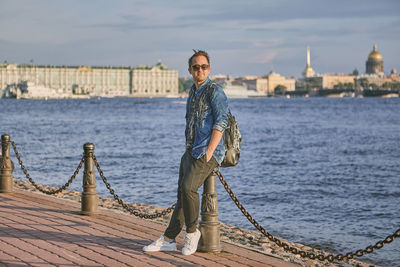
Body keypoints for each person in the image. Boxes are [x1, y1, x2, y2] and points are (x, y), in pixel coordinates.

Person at [143, 50, 229, 255]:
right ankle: (168, 239)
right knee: (182, 194)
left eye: (204, 67)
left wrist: (209, 152)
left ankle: (192, 234)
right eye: (196, 67)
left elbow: (221, 123)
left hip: (207, 153)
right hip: (191, 150)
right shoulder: (193, 91)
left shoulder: (215, 91)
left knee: (189, 188)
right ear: (190, 70)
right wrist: (188, 149)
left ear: (209, 69)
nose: (200, 70)